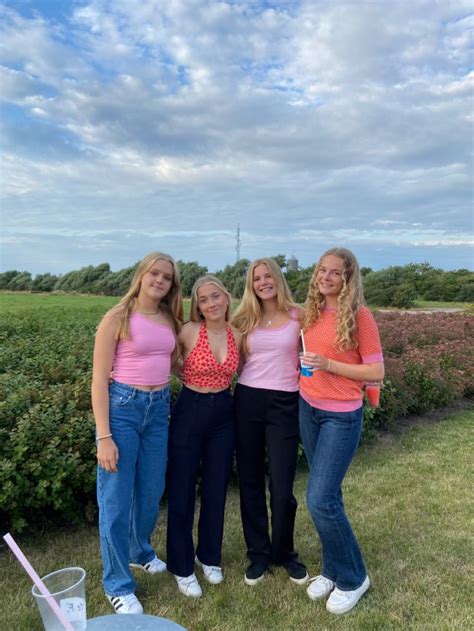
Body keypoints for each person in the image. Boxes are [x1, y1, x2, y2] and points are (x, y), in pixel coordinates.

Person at [92, 252, 183, 615]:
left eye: (167, 278)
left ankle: (138, 550)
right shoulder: (117, 317)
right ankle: (117, 583)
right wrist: (104, 435)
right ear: (142, 275)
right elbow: (99, 379)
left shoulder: (167, 317)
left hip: (159, 408)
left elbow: (171, 363)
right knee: (115, 498)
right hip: (123, 409)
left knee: (150, 490)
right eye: (155, 274)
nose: (160, 281)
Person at [299, 247, 384, 615]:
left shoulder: (360, 316)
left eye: (336, 273)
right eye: (322, 270)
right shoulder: (311, 312)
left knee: (318, 499)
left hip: (340, 416)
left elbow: (376, 373)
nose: (326, 277)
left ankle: (353, 577)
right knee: (329, 497)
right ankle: (332, 569)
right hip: (308, 408)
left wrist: (329, 364)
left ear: (348, 278)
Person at [232, 258, 308, 586]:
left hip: (284, 403)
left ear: (277, 278)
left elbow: (314, 353)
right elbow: (225, 355)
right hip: (247, 399)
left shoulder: (299, 315)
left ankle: (284, 553)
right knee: (249, 481)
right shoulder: (244, 319)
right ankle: (259, 554)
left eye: (267, 276)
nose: (263, 282)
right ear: (251, 285)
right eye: (256, 278)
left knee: (281, 485)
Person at [166, 275, 241, 598]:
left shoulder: (238, 334)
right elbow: (167, 363)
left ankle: (209, 556)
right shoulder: (187, 331)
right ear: (197, 306)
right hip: (190, 408)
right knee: (182, 487)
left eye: (215, 297)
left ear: (226, 298)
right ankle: (182, 566)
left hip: (225, 410)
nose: (211, 304)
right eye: (203, 300)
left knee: (216, 487)